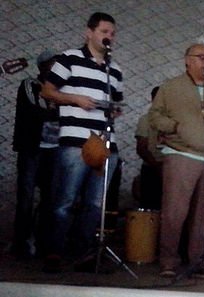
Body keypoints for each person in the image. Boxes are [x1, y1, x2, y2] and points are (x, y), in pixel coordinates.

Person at [40, 12, 123, 273]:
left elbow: (117, 102)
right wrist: (76, 99)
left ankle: (84, 254)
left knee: (95, 204)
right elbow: (47, 91)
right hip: (75, 141)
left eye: (112, 33)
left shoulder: (115, 70)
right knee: (65, 200)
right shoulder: (69, 59)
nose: (109, 37)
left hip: (105, 142)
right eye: (104, 32)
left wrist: (113, 110)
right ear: (89, 32)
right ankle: (54, 252)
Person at [149, 43, 204, 278]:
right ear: (187, 60)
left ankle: (199, 261)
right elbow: (154, 116)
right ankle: (168, 261)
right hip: (181, 154)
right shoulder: (171, 87)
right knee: (175, 212)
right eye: (201, 57)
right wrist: (175, 126)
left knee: (202, 215)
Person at [11, 49, 59, 259]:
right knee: (26, 198)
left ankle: (43, 243)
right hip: (31, 149)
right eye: (53, 64)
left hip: (54, 151)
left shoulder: (61, 89)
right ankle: (21, 244)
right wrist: (59, 108)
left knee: (50, 198)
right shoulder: (30, 85)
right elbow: (37, 110)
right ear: (42, 66)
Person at [134, 86, 163, 210]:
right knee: (150, 209)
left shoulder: (177, 121)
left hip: (173, 170)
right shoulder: (145, 120)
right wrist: (158, 166)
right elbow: (141, 148)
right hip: (151, 169)